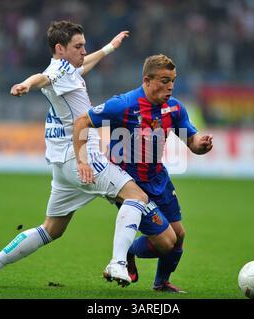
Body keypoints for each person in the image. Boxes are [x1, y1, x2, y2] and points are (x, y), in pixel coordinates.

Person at [0, 20, 153, 288]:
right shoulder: (57, 71)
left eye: (84, 46)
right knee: (137, 197)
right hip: (83, 159)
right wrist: (25, 83)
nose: (83, 50)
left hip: (62, 164)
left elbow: (82, 67)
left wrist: (108, 48)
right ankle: (118, 262)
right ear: (60, 48)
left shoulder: (69, 70)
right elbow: (42, 78)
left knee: (51, 229)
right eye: (78, 46)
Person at [73, 54, 213, 292]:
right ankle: (127, 250)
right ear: (146, 80)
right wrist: (82, 160)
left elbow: (192, 141)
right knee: (166, 242)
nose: (170, 86)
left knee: (178, 235)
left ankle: (161, 283)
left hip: (158, 178)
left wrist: (201, 144)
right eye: (164, 80)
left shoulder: (174, 108)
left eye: (173, 81)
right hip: (130, 184)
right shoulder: (124, 104)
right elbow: (81, 122)